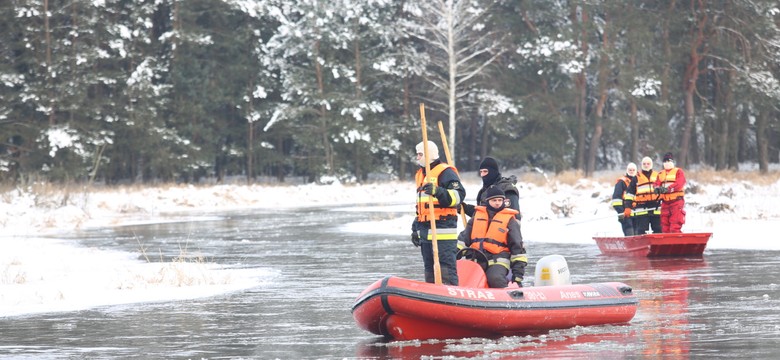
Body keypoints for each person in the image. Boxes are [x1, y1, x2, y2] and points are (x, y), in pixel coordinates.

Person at [411, 140, 466, 285]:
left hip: (442, 227)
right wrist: (415, 229)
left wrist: (438, 191)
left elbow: (458, 196)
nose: (417, 158)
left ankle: (451, 299)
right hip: (425, 229)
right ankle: (432, 298)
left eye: (420, 154)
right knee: (429, 268)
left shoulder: (445, 172)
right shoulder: (421, 174)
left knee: (445, 267)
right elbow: (422, 207)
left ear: (429, 155)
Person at [457, 186, 527, 288]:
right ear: (487, 201)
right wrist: (453, 256)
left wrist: (518, 275)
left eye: (500, 200)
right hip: (476, 260)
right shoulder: (477, 217)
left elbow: (518, 248)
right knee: (464, 278)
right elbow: (464, 239)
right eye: (494, 200)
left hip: (498, 261)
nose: (497, 203)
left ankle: (504, 295)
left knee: (495, 279)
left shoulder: (510, 220)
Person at [654, 152, 686, 233]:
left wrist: (668, 189)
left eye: (668, 161)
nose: (667, 163)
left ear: (672, 161)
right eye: (665, 161)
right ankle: (667, 244)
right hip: (665, 203)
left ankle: (677, 243)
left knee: (675, 226)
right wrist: (657, 189)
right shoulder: (661, 174)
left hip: (676, 201)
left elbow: (680, 183)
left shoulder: (678, 171)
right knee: (664, 227)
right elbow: (656, 183)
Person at [631, 156, 662, 234]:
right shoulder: (636, 178)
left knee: (658, 229)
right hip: (642, 208)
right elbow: (629, 194)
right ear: (641, 165)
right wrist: (628, 207)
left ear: (651, 164)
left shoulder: (658, 176)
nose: (646, 165)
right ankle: (642, 245)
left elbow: (664, 191)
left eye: (648, 164)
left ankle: (657, 245)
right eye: (644, 164)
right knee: (642, 230)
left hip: (656, 207)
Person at [612, 162, 637, 236]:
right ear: (627, 170)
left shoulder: (639, 181)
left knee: (638, 231)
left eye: (633, 170)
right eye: (630, 170)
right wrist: (621, 211)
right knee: (629, 229)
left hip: (638, 211)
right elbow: (616, 199)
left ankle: (639, 245)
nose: (631, 171)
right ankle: (630, 244)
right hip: (625, 212)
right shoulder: (621, 182)